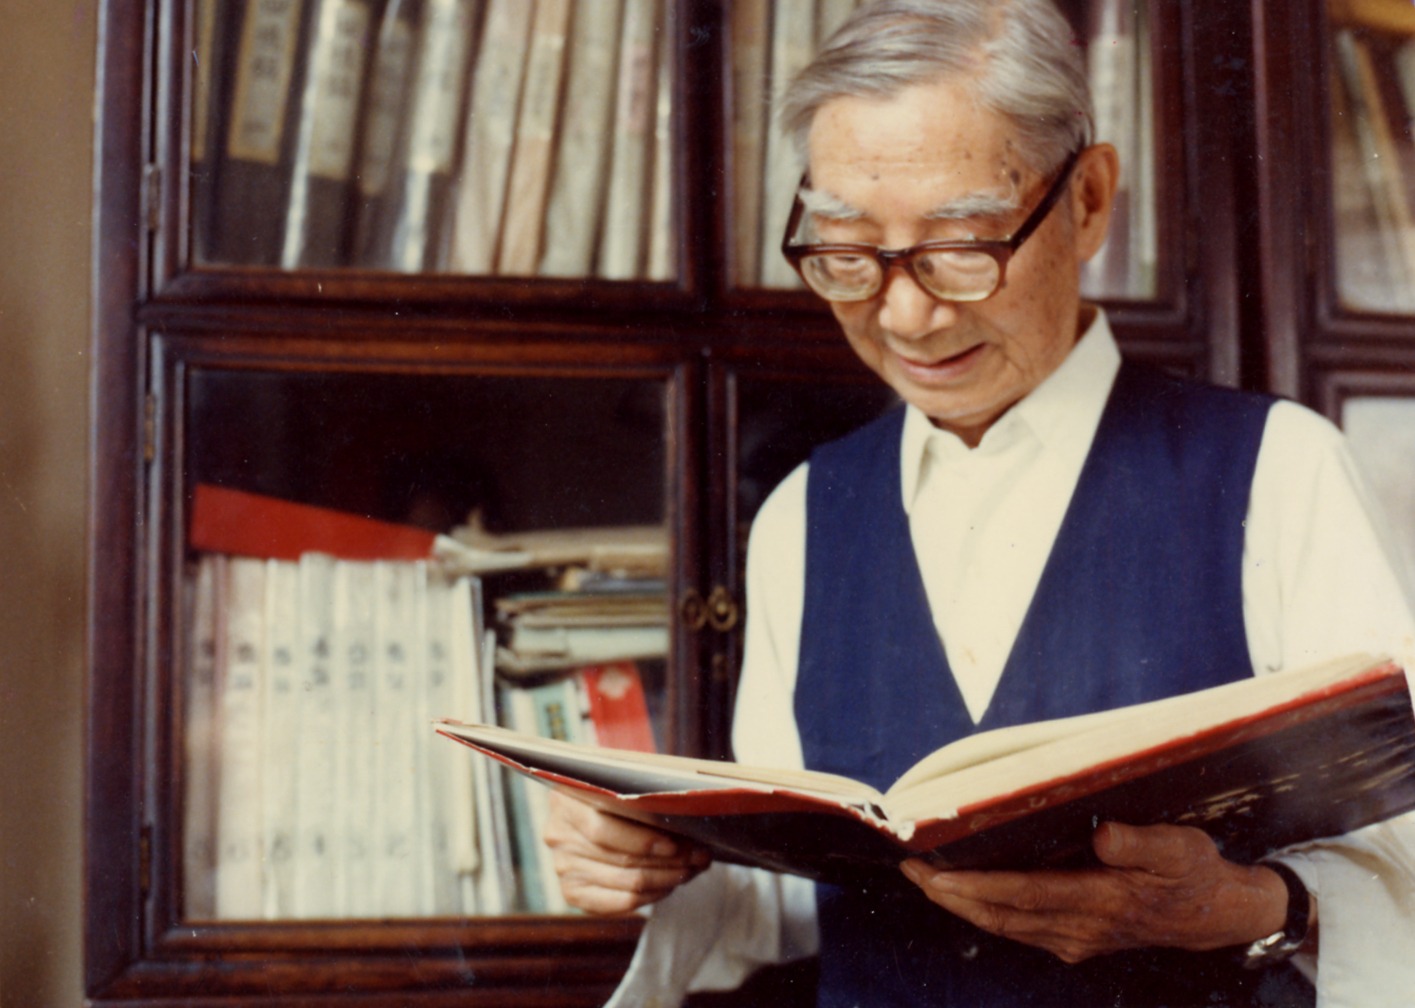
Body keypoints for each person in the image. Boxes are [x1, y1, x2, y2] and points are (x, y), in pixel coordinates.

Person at [544, 1, 1415, 1004]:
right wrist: (648, 860)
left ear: (1088, 201)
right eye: (846, 250)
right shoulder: (802, 513)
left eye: (961, 245)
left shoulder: (1276, 471)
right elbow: (796, 897)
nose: (905, 314)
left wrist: (1245, 908)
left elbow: (1401, 863)